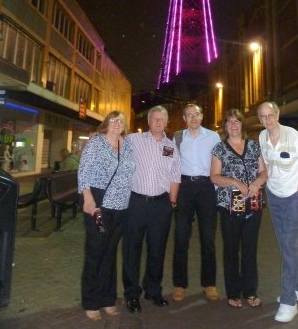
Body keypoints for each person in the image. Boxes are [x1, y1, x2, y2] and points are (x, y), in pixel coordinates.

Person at [257, 101, 298, 323]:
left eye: (270, 115)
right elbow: (263, 160)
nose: (267, 120)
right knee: (285, 245)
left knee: (289, 247)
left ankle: (289, 302)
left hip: (293, 198)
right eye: (262, 117)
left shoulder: (292, 136)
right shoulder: (262, 137)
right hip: (273, 196)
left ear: (278, 114)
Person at [123, 105, 181, 313]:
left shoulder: (171, 147)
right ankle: (131, 295)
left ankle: (153, 290)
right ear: (149, 121)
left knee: (157, 250)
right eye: (155, 119)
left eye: (162, 119)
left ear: (166, 122)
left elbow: (175, 175)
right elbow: (115, 147)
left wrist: (172, 202)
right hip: (136, 202)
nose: (158, 122)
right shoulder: (133, 140)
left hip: (161, 204)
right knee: (132, 250)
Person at [77, 110, 135, 321]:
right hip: (99, 204)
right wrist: (88, 198)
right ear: (106, 123)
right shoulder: (96, 142)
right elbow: (83, 171)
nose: (118, 123)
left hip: (121, 206)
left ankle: (108, 298)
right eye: (114, 120)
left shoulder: (128, 144)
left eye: (121, 120)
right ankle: (90, 301)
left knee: (110, 253)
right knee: (96, 252)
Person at [211, 109, 267, 309]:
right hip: (230, 207)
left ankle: (250, 291)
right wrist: (235, 182)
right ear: (225, 126)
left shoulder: (253, 146)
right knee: (231, 250)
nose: (234, 125)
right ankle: (233, 292)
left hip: (253, 205)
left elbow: (263, 171)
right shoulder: (220, 149)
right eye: (229, 122)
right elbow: (215, 177)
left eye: (237, 121)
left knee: (250, 250)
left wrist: (258, 182)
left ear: (242, 124)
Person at [172, 103, 221, 302]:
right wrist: (172, 193)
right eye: (189, 115)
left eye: (197, 114)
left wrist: (215, 190)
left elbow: (220, 163)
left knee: (208, 239)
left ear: (202, 116)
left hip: (206, 188)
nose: (193, 117)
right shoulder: (177, 137)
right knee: (181, 238)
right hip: (184, 188)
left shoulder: (213, 137)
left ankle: (209, 284)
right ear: (184, 118)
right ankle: (179, 284)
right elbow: (170, 164)